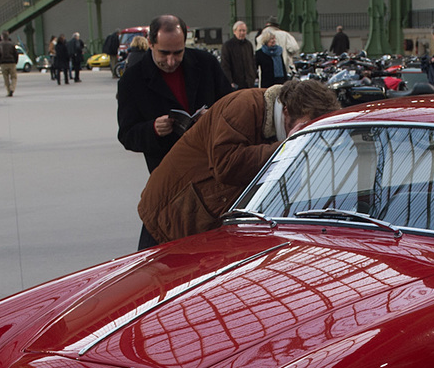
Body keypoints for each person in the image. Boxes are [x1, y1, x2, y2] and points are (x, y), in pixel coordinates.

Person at [139, 78, 339, 245]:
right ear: (286, 111)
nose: (306, 136)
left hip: (201, 219)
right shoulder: (243, 106)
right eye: (305, 127)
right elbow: (226, 165)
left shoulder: (276, 122)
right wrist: (286, 146)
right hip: (170, 213)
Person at [117, 14, 234, 249]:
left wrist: (211, 117)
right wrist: (153, 129)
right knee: (157, 252)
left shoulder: (206, 64)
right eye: (164, 54)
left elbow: (230, 105)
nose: (171, 61)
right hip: (169, 181)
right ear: (150, 43)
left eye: (178, 53)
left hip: (212, 174)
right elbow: (127, 134)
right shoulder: (132, 80)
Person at [221, 20, 258, 89]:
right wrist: (230, 81)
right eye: (240, 30)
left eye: (244, 30)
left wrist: (253, 76)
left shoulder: (248, 44)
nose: (242, 33)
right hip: (236, 83)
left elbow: (252, 61)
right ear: (234, 31)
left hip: (249, 82)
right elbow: (225, 65)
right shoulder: (227, 45)